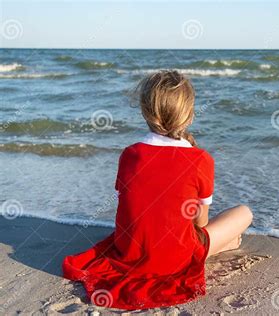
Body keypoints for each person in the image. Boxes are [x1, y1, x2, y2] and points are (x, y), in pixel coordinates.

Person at [62, 70, 253, 310]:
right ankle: (220, 246)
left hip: (129, 252)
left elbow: (132, 204)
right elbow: (200, 223)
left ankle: (221, 245)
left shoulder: (130, 154)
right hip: (174, 259)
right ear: (190, 115)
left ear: (145, 112)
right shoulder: (201, 159)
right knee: (244, 213)